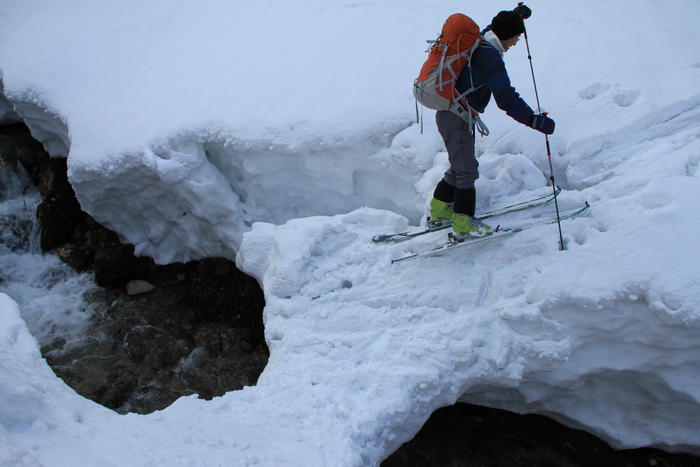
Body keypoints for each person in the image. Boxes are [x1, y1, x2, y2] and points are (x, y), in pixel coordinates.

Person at [428, 9, 555, 238]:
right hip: (456, 116)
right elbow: (506, 99)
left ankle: (439, 210)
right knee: (467, 171)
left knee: (459, 167)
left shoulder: (483, 39)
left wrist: (516, 16)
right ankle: (464, 223)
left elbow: (495, 26)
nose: (516, 43)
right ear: (507, 34)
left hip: (452, 113)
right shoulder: (490, 56)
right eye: (516, 37)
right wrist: (534, 121)